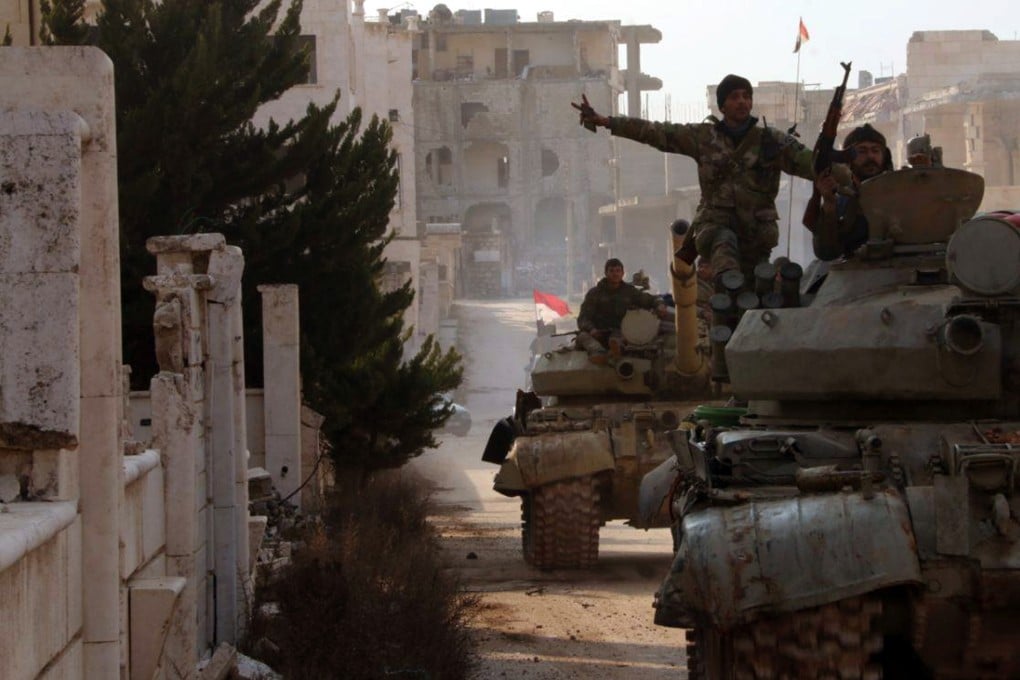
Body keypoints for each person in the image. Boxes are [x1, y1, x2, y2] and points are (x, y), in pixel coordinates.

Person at [572, 75, 814, 287]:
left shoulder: (771, 140)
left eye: (746, 96)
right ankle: (727, 286)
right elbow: (656, 132)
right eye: (734, 97)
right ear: (722, 105)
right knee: (725, 255)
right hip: (716, 225)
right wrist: (608, 122)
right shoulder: (703, 137)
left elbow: (810, 163)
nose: (742, 102)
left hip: (756, 233)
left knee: (755, 287)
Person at [810, 123, 894, 261]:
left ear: (884, 156)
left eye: (876, 150)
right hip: (856, 271)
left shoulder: (899, 191)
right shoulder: (842, 199)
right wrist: (829, 206)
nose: (870, 156)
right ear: (848, 158)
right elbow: (826, 252)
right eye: (862, 151)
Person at [577, 258, 666, 364]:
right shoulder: (595, 293)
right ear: (606, 273)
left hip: (618, 332)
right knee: (583, 336)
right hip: (597, 332)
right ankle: (599, 354)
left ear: (622, 273)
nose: (615, 274)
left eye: (618, 271)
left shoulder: (629, 292)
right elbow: (583, 318)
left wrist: (660, 305)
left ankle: (616, 351)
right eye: (611, 271)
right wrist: (592, 329)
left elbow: (651, 299)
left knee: (617, 340)